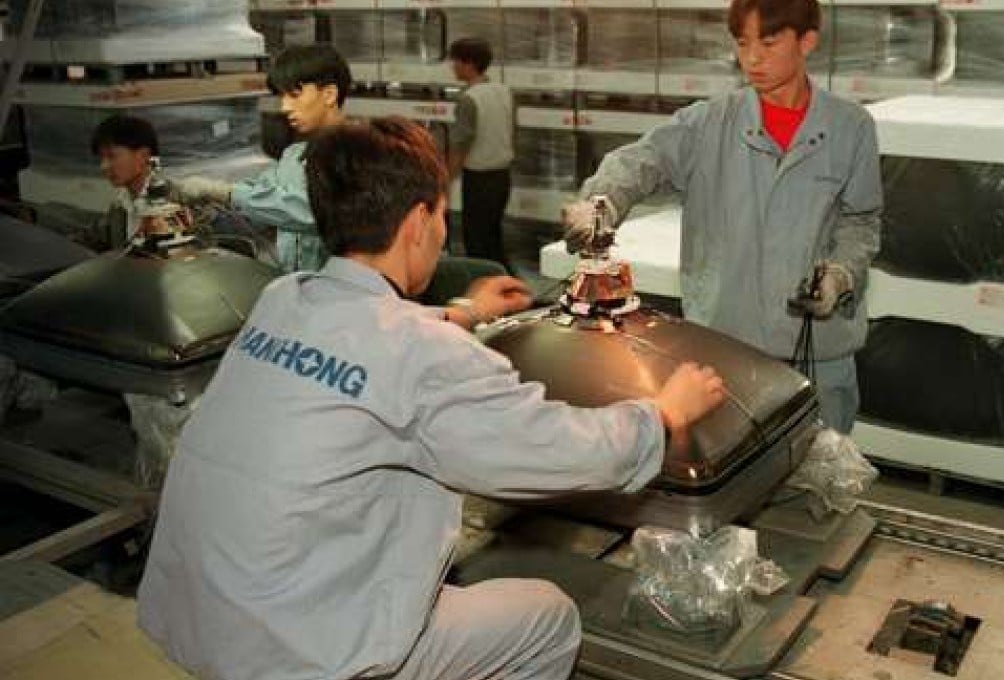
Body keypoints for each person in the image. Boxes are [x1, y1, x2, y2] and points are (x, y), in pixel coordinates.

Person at [137, 116, 726, 680]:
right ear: (419, 221)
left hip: (198, 613)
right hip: (307, 650)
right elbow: (554, 450)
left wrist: (464, 311)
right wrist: (661, 414)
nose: (443, 228)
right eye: (442, 213)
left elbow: (359, 335)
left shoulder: (285, 298)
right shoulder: (424, 354)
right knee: (547, 617)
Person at [563, 0, 882, 434]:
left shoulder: (851, 128)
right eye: (743, 42)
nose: (752, 58)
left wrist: (841, 275)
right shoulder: (707, 123)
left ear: (807, 41)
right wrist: (600, 203)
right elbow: (640, 162)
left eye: (769, 43)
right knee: (733, 485)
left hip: (818, 352)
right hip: (727, 348)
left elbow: (861, 221)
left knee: (815, 484)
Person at [170, 44, 351, 272]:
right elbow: (265, 196)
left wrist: (225, 192)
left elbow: (313, 212)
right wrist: (211, 213)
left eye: (295, 95)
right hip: (297, 287)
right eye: (282, 96)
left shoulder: (360, 154)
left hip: (342, 295)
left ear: (329, 94)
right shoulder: (293, 156)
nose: (285, 107)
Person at [448, 36, 514, 269]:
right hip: (502, 177)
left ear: (468, 64)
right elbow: (513, 130)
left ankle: (487, 290)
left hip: (479, 180)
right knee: (492, 239)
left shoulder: (469, 99)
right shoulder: (504, 92)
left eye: (455, 61)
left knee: (476, 242)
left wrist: (446, 180)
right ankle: (509, 286)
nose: (452, 67)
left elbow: (461, 144)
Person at [90, 114, 160, 249]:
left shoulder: (177, 203)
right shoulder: (118, 207)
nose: (103, 166)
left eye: (112, 156)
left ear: (143, 155)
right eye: (101, 158)